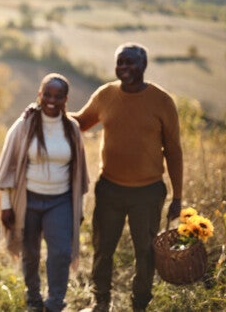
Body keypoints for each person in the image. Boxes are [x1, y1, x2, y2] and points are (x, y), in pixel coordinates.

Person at [73, 43, 183, 312]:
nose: (124, 68)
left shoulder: (162, 101)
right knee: (102, 249)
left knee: (145, 253)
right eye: (120, 62)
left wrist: (178, 196)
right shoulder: (106, 94)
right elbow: (80, 122)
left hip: (147, 192)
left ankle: (140, 304)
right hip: (109, 188)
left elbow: (174, 151)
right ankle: (101, 301)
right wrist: (46, 111)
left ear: (143, 65)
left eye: (130, 62)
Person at [0, 73, 89, 312]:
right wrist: (5, 204)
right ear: (39, 95)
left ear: (66, 99)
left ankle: (54, 304)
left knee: (61, 253)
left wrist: (80, 208)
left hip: (61, 201)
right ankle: (33, 300)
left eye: (58, 96)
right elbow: (7, 166)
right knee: (30, 253)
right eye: (47, 94)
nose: (51, 100)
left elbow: (79, 174)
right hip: (28, 199)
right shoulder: (24, 125)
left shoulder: (72, 128)